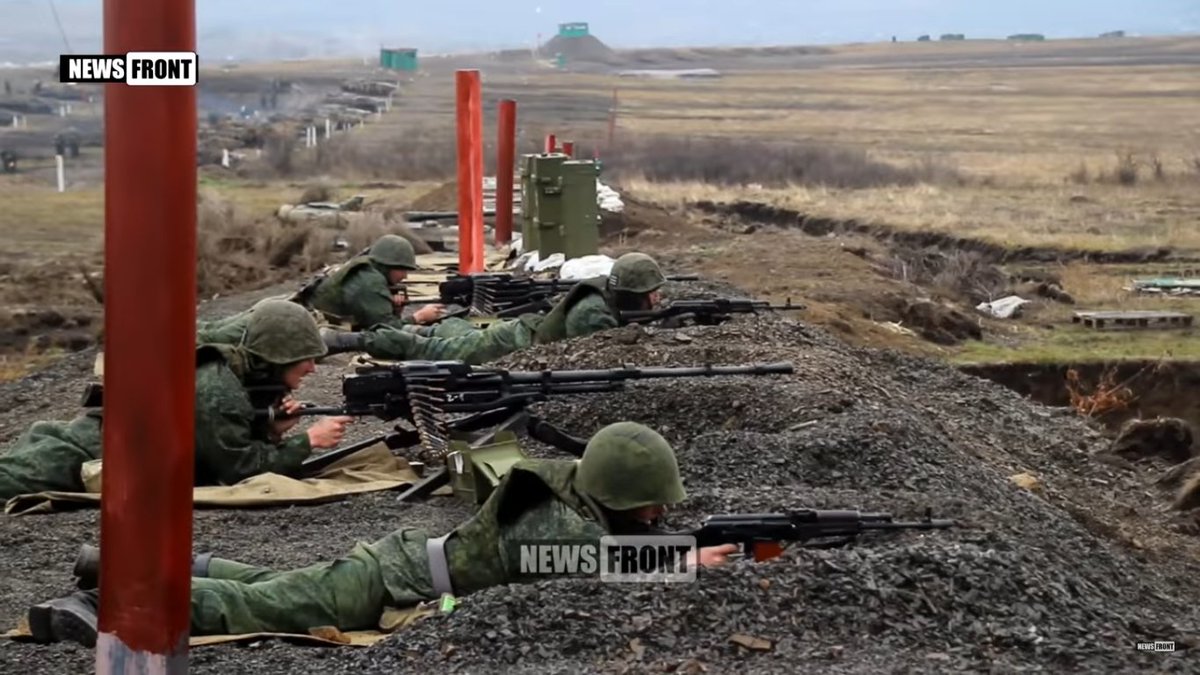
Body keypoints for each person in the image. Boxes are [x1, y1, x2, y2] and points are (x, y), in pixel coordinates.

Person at [26, 422, 739, 645]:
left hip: (399, 565)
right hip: (388, 583)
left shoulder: (568, 490)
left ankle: (120, 561)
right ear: (619, 498)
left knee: (276, 588)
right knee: (262, 608)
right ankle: (111, 602)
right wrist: (684, 558)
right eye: (650, 509)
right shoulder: (553, 525)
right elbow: (591, 564)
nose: (657, 518)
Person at [0, 300, 354, 500]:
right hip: (76, 455)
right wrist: (308, 441)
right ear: (277, 354)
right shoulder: (219, 387)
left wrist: (272, 430)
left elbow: (218, 443)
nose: (312, 368)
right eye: (305, 357)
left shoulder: (237, 375)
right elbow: (240, 470)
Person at [318, 251, 669, 362]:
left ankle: (412, 328)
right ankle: (352, 341)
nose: (656, 299)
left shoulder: (606, 299)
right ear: (631, 291)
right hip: (516, 344)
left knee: (449, 334)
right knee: (437, 351)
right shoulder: (593, 313)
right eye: (650, 292)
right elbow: (594, 357)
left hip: (522, 334)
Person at [304, 233, 446, 331]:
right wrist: (418, 316)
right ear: (388, 265)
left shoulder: (368, 269)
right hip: (315, 325)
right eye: (402, 269)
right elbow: (386, 329)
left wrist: (395, 309)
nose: (405, 276)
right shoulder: (370, 282)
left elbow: (374, 318)